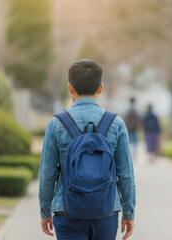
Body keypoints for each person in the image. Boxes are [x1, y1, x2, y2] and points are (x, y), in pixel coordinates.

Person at [39, 59, 136, 240]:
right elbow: (126, 174)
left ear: (70, 88)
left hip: (67, 211)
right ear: (100, 88)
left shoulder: (56, 124)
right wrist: (129, 213)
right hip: (106, 212)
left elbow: (47, 174)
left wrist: (45, 211)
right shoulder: (115, 123)